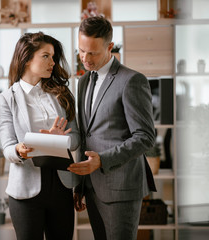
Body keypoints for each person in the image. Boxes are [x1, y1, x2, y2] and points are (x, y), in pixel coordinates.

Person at [67, 16, 157, 240]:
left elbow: (145, 137)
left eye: (93, 53)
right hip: (91, 186)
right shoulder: (84, 81)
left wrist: (102, 160)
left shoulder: (132, 80)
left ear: (109, 47)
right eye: (81, 51)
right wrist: (79, 186)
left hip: (121, 187)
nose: (85, 59)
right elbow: (86, 134)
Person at [0, 32, 80, 240]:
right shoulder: (6, 100)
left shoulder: (62, 94)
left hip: (61, 186)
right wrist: (19, 150)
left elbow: (77, 138)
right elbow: (7, 146)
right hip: (25, 190)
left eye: (53, 56)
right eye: (46, 56)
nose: (53, 62)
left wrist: (61, 139)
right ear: (26, 59)